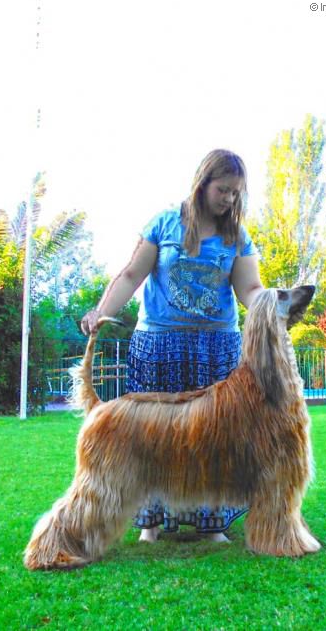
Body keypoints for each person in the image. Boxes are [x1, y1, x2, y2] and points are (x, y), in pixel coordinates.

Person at [81, 149, 264, 543]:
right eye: (223, 189)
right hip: (158, 347)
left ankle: (211, 525)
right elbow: (131, 275)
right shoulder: (163, 224)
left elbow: (250, 288)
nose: (229, 198)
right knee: (149, 437)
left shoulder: (237, 236)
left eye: (236, 192)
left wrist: (273, 308)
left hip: (216, 350)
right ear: (203, 183)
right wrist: (100, 312)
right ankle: (149, 524)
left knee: (214, 439)